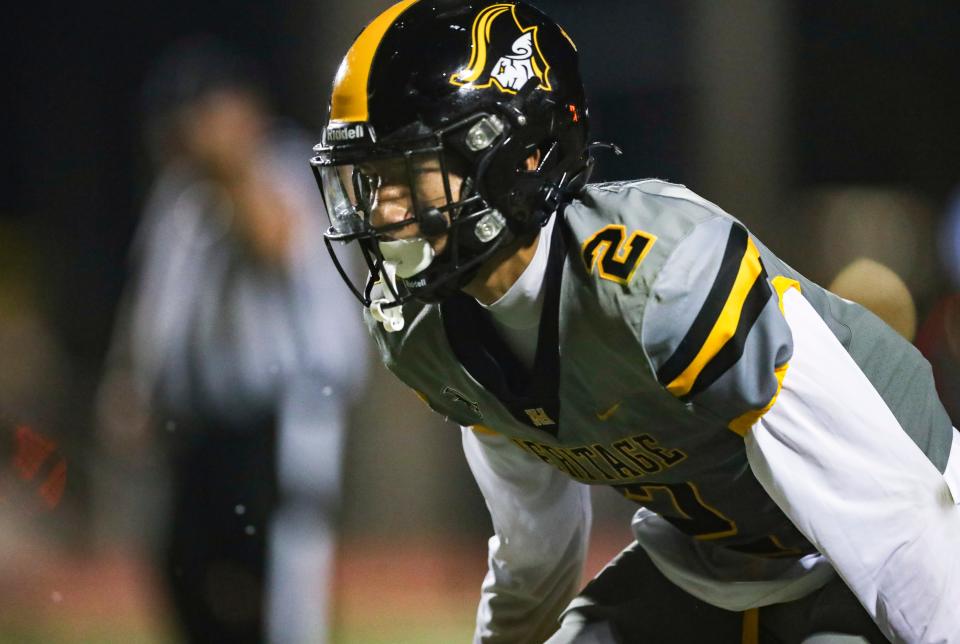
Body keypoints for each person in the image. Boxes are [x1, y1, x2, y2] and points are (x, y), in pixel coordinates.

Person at [309, 2, 958, 643]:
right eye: (367, 180)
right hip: (714, 566)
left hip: (888, 533)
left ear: (517, 154)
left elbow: (897, 517)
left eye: (405, 172)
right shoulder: (428, 332)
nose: (381, 208)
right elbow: (535, 552)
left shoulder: (664, 278)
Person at [98, 37, 365, 643]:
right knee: (183, 565)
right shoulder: (178, 196)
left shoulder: (287, 164)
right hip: (203, 420)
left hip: (286, 410)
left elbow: (274, 242)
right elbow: (155, 306)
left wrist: (231, 164)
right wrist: (135, 384)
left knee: (282, 579)